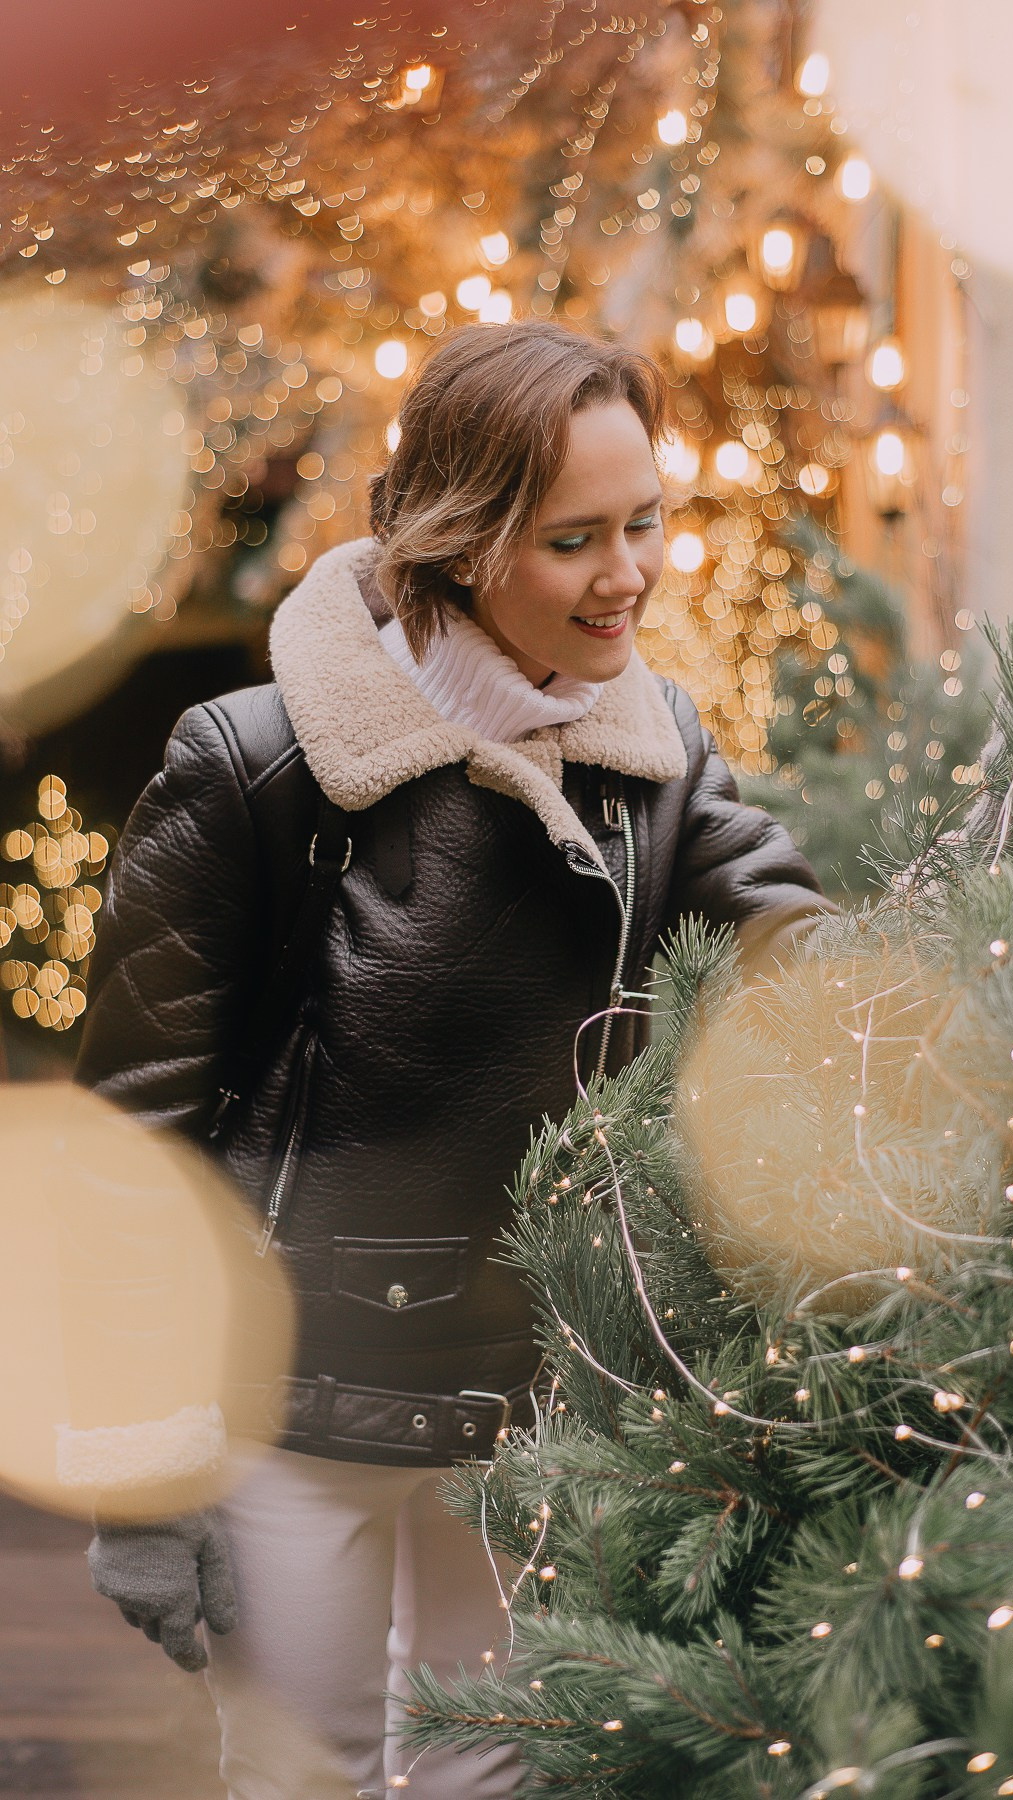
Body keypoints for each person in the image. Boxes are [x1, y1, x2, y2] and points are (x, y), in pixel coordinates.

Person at [75, 319, 837, 1800]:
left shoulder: (654, 752)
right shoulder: (256, 764)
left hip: (535, 1405)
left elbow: (804, 956)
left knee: (498, 1780)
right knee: (303, 1776)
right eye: (572, 541)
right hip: (288, 1409)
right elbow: (135, 1135)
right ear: (460, 540)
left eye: (645, 525)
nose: (627, 575)